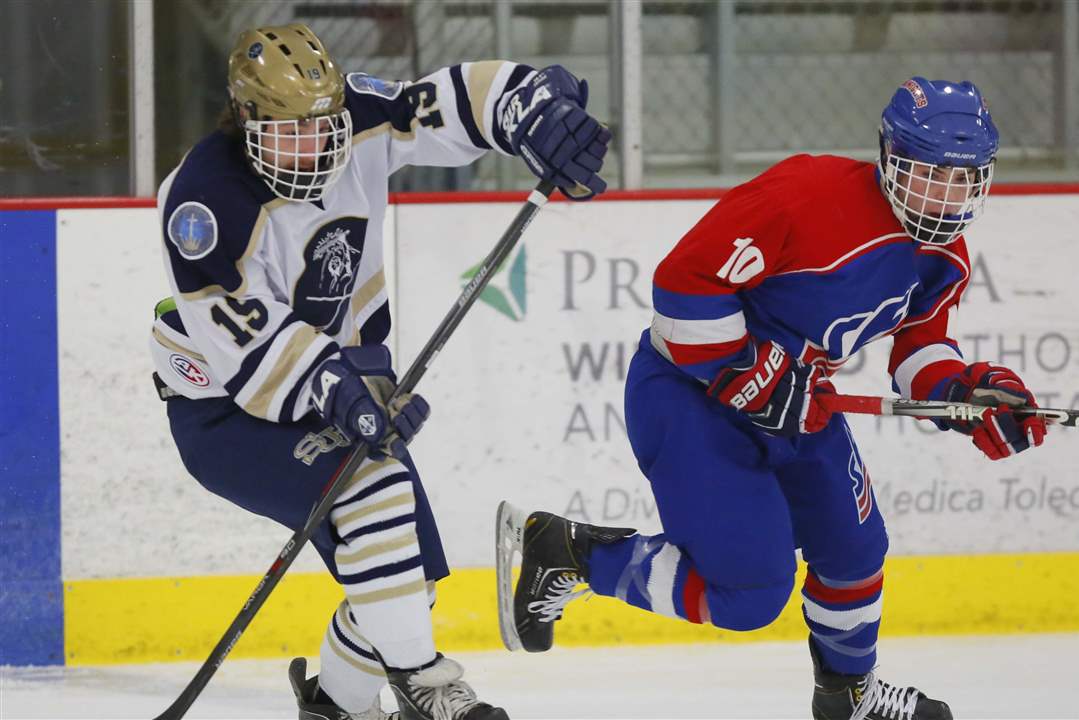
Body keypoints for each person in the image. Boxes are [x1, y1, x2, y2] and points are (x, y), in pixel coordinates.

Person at [497, 77, 1049, 720]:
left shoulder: (944, 256)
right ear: (892, 158)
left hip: (796, 406)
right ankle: (567, 553)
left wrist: (962, 394)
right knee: (748, 598)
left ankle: (849, 695)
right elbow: (682, 288)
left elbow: (919, 349)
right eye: (932, 175)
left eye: (965, 180)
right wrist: (750, 374)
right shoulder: (806, 195)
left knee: (855, 548)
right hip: (691, 398)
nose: (948, 198)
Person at [150, 23, 609, 720]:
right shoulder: (203, 201)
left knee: (402, 577)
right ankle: (425, 684)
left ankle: (336, 706)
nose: (314, 148)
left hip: (338, 381)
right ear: (245, 120)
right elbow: (244, 345)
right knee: (377, 493)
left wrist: (533, 109)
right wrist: (340, 386)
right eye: (289, 134)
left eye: (323, 128)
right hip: (226, 410)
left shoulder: (355, 119)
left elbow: (449, 100)